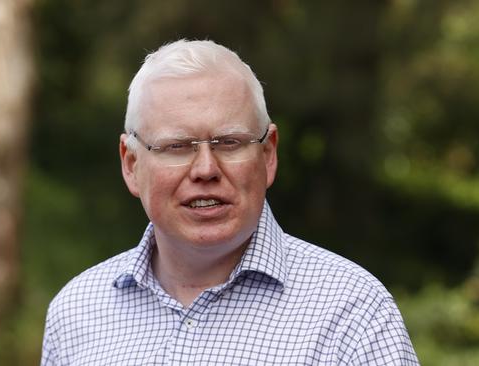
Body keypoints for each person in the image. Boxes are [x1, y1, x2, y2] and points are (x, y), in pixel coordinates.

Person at [41, 39, 419, 365]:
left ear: (269, 155)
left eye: (230, 142)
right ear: (131, 163)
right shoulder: (77, 310)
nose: (206, 169)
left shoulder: (352, 312)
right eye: (176, 147)